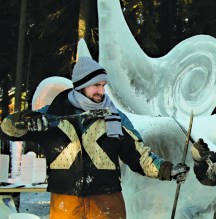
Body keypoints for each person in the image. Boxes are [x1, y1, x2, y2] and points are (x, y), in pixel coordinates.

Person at [0, 56, 189, 219]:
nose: (101, 91)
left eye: (103, 85)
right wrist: (24, 119)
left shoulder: (115, 118)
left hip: (107, 204)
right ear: (81, 86)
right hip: (65, 205)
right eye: (96, 85)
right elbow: (8, 129)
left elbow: (139, 156)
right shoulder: (51, 116)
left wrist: (167, 169)